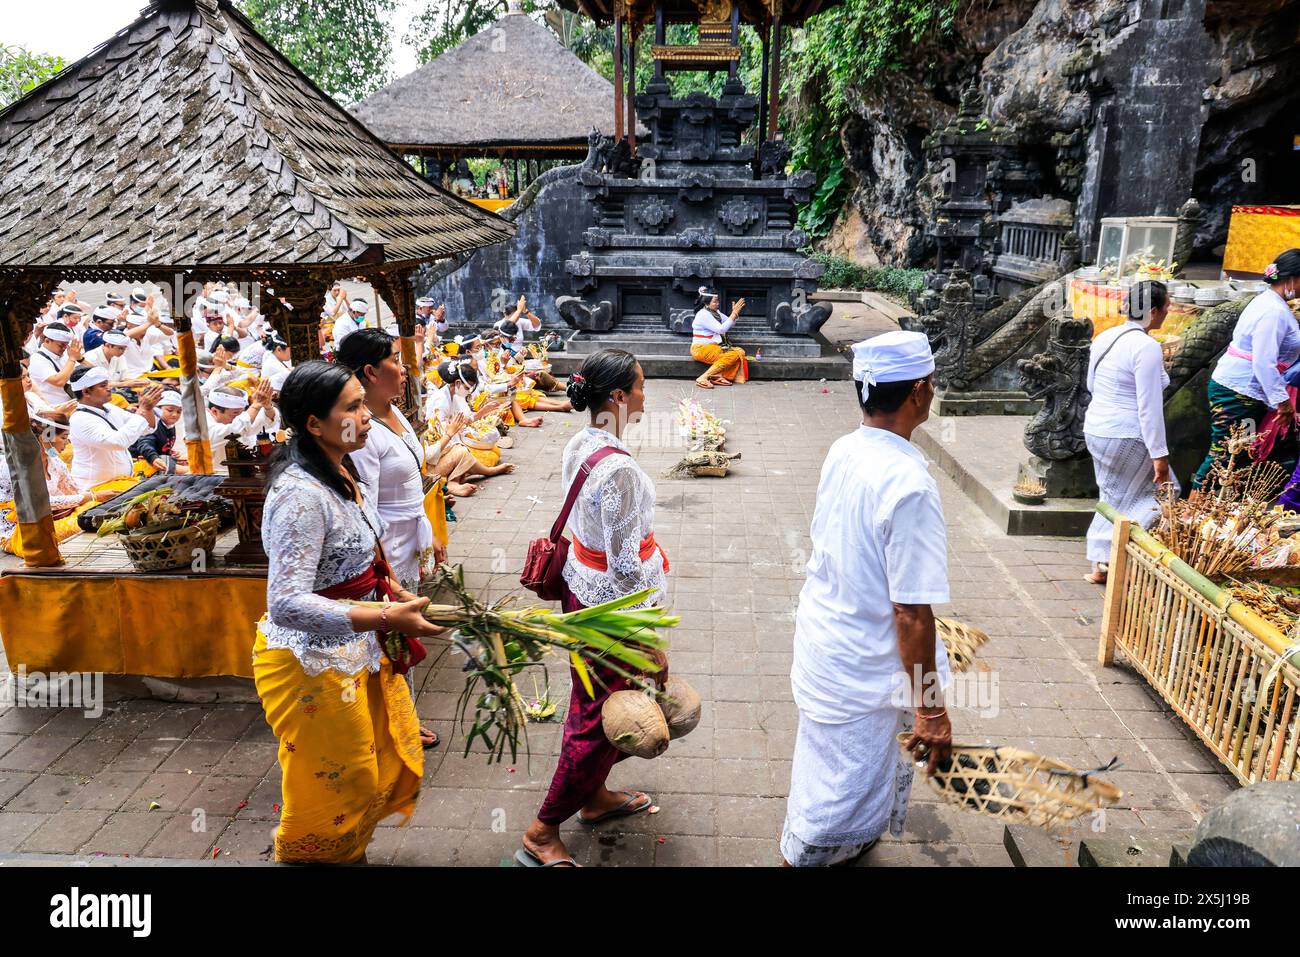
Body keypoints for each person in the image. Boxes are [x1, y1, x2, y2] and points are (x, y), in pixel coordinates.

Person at [254, 361, 445, 864]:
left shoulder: (341, 465)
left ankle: (349, 854)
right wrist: (385, 619)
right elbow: (286, 603)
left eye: (364, 402)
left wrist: (395, 592)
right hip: (311, 664)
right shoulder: (300, 494)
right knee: (334, 780)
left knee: (366, 766)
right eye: (353, 407)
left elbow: (358, 558)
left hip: (353, 649)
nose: (367, 417)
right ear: (314, 424)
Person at [781, 330, 953, 868]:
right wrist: (930, 708)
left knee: (831, 774)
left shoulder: (845, 448)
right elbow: (912, 613)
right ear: (920, 392)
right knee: (829, 804)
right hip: (859, 665)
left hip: (826, 642)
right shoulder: (910, 485)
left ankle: (846, 846)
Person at [518, 349, 670, 868]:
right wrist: (647, 636)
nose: (647, 396)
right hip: (613, 612)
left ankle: (595, 796)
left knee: (601, 704)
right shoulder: (621, 471)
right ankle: (543, 830)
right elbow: (626, 565)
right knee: (593, 718)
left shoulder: (581, 441)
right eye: (642, 387)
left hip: (583, 593)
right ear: (619, 397)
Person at [338, 329, 445, 750]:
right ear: (369, 370)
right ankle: (395, 720)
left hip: (408, 543)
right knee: (386, 637)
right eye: (396, 361)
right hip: (386, 555)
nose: (404, 370)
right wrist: (382, 572)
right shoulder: (360, 429)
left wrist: (429, 530)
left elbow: (411, 485)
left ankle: (404, 712)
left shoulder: (393, 413)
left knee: (403, 636)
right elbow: (366, 508)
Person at [1083, 281, 1177, 584]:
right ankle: (1119, 558)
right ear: (1152, 311)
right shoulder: (1146, 346)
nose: (1167, 313)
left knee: (1112, 495)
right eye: (1165, 308)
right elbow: (1149, 407)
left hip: (1096, 428)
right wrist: (1159, 456)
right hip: (1127, 434)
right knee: (1163, 492)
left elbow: (1091, 385)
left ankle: (1101, 563)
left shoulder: (1106, 336)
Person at [1193, 249, 1300, 490]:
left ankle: (1211, 510)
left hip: (1245, 390)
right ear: (1292, 278)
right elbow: (1263, 362)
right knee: (1225, 451)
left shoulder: (1271, 302)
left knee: (1238, 452)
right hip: (1240, 391)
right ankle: (1189, 514)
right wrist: (1282, 402)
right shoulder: (1273, 312)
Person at [67, 367, 161, 488]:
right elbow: (117, 443)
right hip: (95, 488)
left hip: (121, 483)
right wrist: (142, 410)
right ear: (86, 392)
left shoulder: (110, 408)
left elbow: (146, 429)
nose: (109, 388)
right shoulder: (79, 419)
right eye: (103, 386)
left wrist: (148, 410)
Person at [691, 287, 748, 389]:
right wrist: (733, 314)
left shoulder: (716, 313)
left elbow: (730, 324)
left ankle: (718, 376)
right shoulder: (703, 314)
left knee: (740, 352)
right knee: (733, 354)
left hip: (713, 347)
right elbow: (721, 330)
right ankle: (704, 377)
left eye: (718, 301)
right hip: (700, 348)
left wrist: (735, 314)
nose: (718, 303)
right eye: (715, 301)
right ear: (707, 303)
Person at [27, 322, 83, 409]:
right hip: (53, 408)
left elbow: (83, 372)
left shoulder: (64, 355)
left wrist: (81, 359)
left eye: (66, 344)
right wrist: (72, 358)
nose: (64, 348)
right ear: (47, 341)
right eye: (61, 345)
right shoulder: (37, 359)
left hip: (71, 404)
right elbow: (59, 381)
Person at [131, 390, 188, 475]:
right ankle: (192, 472)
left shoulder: (169, 425)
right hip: (139, 461)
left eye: (178, 411)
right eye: (170, 410)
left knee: (185, 459)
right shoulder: (152, 424)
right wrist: (153, 458)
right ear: (157, 409)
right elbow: (144, 443)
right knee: (165, 462)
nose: (175, 414)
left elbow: (161, 445)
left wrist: (169, 452)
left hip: (157, 458)